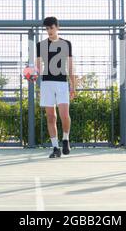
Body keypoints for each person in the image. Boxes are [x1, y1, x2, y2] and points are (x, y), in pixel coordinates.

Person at [36, 17, 76, 158]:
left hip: (62, 84)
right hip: (47, 84)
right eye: (46, 29)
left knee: (64, 115)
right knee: (51, 117)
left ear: (57, 28)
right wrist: (34, 76)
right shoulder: (40, 45)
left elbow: (70, 66)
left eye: (51, 28)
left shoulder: (66, 44)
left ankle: (66, 139)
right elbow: (38, 66)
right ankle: (55, 148)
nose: (49, 31)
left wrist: (73, 86)